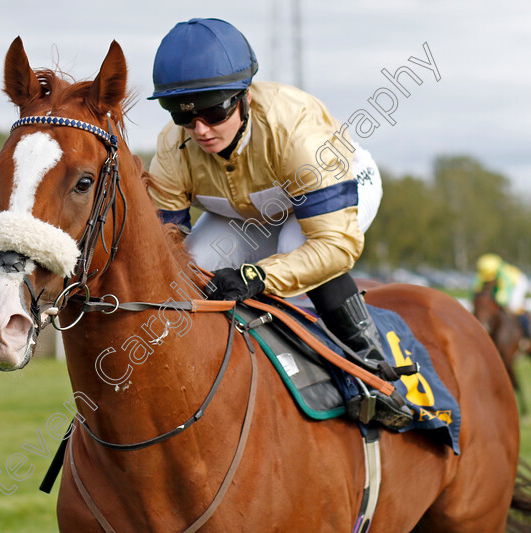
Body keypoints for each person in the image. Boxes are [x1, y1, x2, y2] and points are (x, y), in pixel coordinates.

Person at [147, 18, 411, 428]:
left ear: (245, 97)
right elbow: (165, 249)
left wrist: (256, 275)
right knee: (193, 271)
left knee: (295, 254)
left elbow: (334, 247)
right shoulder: (172, 146)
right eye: (183, 115)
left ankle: (376, 376)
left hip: (333, 185)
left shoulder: (298, 131)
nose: (200, 130)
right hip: (248, 207)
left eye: (214, 111)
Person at [473, 253, 530, 336]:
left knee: (513, 306)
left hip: (517, 283)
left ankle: (527, 334)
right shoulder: (484, 271)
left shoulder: (504, 274)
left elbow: (504, 292)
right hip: (503, 285)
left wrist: (499, 302)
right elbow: (477, 286)